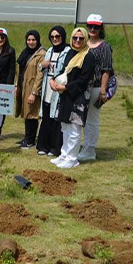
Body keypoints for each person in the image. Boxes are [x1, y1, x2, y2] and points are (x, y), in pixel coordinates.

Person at [50, 28, 96, 169]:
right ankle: (64, 154)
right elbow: (64, 71)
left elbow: (83, 80)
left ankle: (72, 158)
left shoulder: (88, 56)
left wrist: (65, 87)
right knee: (65, 126)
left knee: (74, 129)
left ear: (86, 39)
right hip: (66, 95)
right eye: (75, 38)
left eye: (81, 38)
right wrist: (53, 80)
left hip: (78, 97)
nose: (77, 41)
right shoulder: (71, 52)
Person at [81, 14, 114, 161]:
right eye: (90, 26)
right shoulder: (82, 43)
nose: (93, 29)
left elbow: (106, 70)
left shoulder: (104, 47)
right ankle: (85, 147)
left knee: (92, 120)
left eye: (96, 27)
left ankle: (90, 151)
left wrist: (102, 90)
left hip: (96, 87)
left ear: (101, 28)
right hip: (83, 87)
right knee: (82, 119)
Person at [36, 26, 70, 157]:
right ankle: (43, 145)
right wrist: (42, 65)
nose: (55, 39)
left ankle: (55, 148)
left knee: (56, 120)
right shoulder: (49, 50)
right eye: (52, 37)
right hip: (47, 90)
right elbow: (42, 68)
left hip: (58, 90)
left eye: (57, 37)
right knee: (46, 119)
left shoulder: (67, 51)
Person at [14, 30, 46, 149]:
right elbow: (20, 70)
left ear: (37, 40)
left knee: (32, 114)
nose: (31, 42)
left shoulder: (41, 54)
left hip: (32, 88)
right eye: (29, 40)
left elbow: (40, 75)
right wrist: (17, 85)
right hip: (23, 86)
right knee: (26, 113)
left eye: (33, 40)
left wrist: (34, 92)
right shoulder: (26, 52)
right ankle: (27, 137)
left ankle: (31, 140)